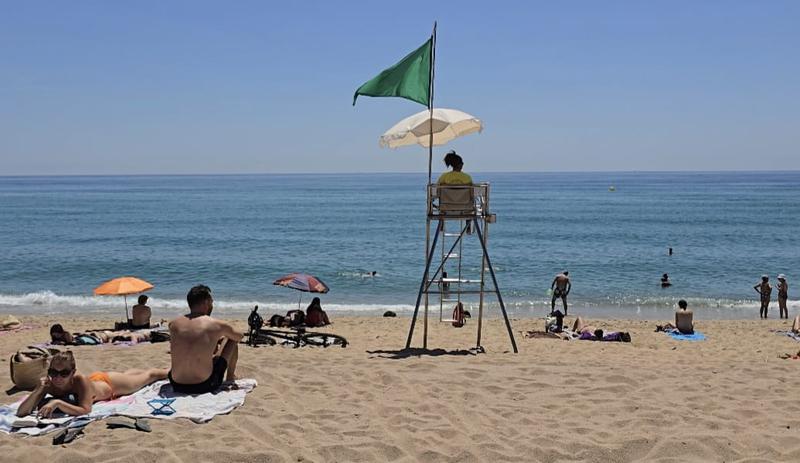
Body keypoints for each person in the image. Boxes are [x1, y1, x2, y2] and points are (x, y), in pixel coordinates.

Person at [15, 351, 167, 417]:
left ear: (73, 373)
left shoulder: (80, 380)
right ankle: (132, 372)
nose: (57, 378)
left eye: (64, 373)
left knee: (150, 376)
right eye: (53, 372)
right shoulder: (48, 383)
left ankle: (170, 370)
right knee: (130, 375)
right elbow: (21, 412)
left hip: (109, 384)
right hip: (96, 382)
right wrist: (37, 390)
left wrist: (57, 403)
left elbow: (86, 410)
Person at [168, 285, 242, 394]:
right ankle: (231, 376)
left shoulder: (173, 324)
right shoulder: (215, 324)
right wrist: (220, 338)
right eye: (211, 302)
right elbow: (239, 336)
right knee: (231, 339)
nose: (212, 305)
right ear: (206, 302)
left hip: (176, 384)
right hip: (204, 385)